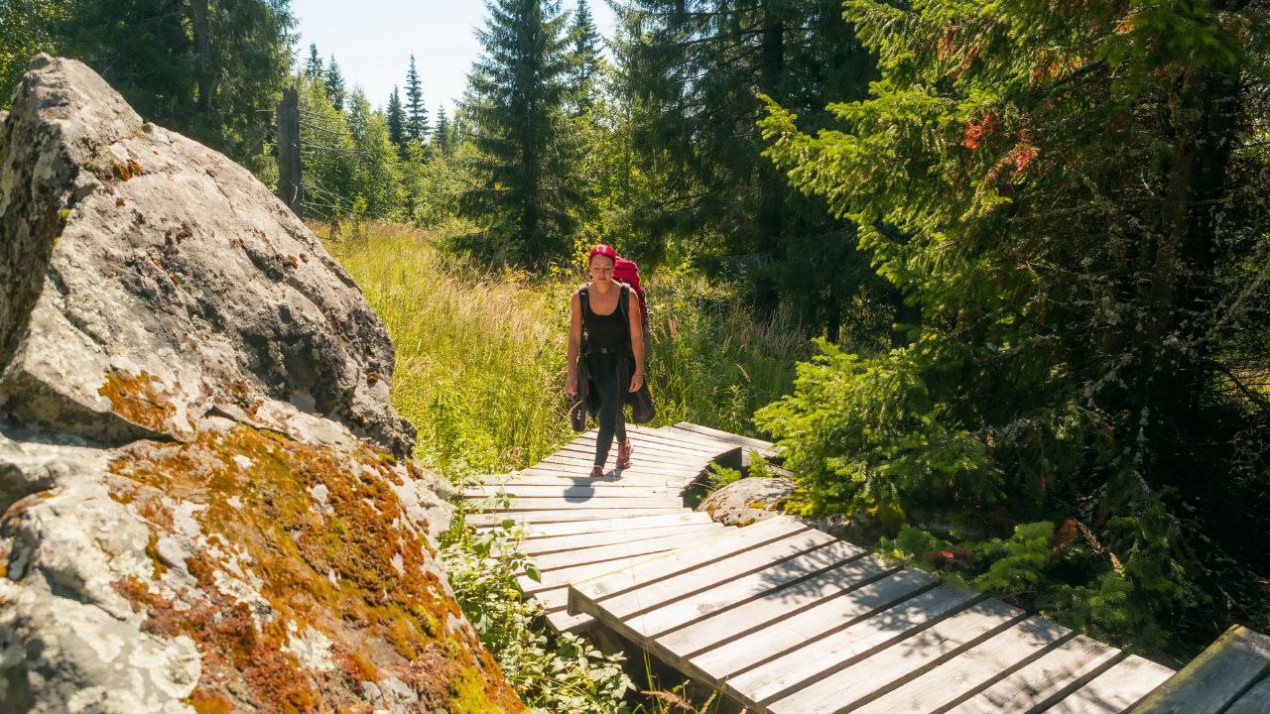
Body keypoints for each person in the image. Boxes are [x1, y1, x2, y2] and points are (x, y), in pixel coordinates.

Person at [565, 244, 645, 477]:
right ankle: (624, 442)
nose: (602, 273)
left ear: (614, 269)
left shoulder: (626, 295)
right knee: (600, 409)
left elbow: (637, 335)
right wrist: (571, 373)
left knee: (610, 408)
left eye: (607, 268)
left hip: (619, 360)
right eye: (597, 268)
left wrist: (638, 371)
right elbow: (574, 338)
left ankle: (598, 465)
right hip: (591, 362)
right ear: (589, 269)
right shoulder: (580, 296)